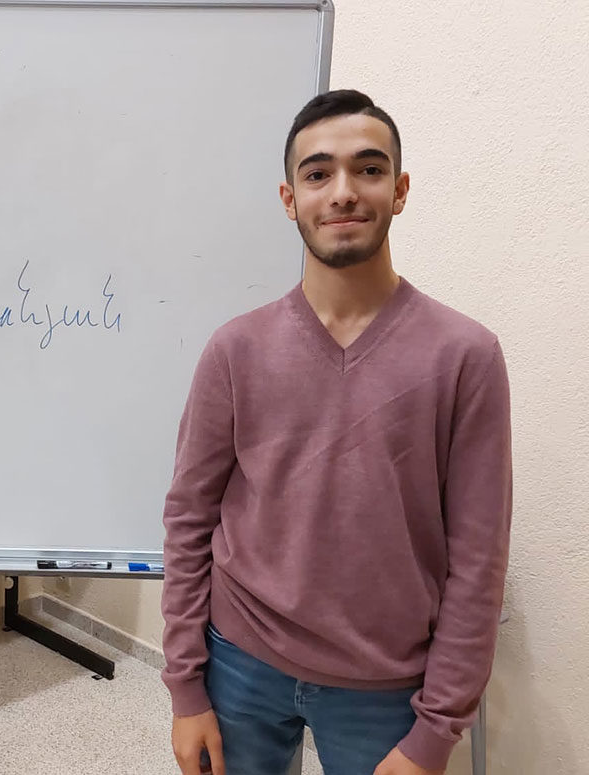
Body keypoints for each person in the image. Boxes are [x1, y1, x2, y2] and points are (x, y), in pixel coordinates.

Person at [160, 89, 512, 775]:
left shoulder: (465, 355)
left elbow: (478, 559)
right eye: (319, 174)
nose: (343, 191)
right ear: (291, 198)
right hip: (240, 662)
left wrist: (436, 730)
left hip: (385, 686)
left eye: (369, 169)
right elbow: (189, 516)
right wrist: (184, 689)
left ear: (401, 189)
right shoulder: (236, 349)